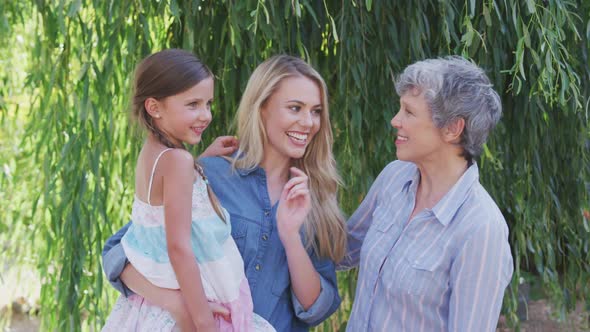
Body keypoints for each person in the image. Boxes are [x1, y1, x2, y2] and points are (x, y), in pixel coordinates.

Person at [102, 54, 346, 331]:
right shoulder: (210, 175)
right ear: (261, 107)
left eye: (316, 111)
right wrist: (176, 303)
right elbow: (122, 253)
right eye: (295, 108)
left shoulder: (318, 197)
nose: (308, 122)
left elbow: (316, 310)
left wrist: (291, 237)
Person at [101, 49, 276, 331]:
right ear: (154, 107)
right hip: (196, 311)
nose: (205, 115)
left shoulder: (154, 154)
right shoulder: (178, 162)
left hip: (152, 310)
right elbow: (178, 247)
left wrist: (200, 161)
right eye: (192, 104)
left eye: (208, 104)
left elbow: (164, 207)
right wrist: (204, 322)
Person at [339, 56, 514, 331]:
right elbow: (341, 252)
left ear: (452, 128)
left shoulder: (481, 229)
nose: (395, 120)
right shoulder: (394, 178)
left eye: (409, 112)